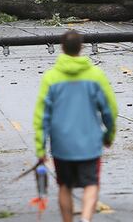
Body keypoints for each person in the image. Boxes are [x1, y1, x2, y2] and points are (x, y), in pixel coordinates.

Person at [33, 30, 118, 222]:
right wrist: (108, 135)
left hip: (61, 145)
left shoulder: (51, 77)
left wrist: (40, 147)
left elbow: (41, 116)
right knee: (91, 184)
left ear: (62, 47)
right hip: (90, 143)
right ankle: (86, 219)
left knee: (65, 186)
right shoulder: (96, 75)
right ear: (82, 47)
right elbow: (109, 109)